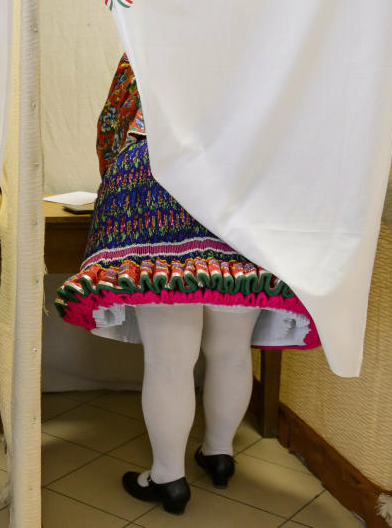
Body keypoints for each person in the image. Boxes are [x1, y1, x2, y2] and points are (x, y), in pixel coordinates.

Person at [55, 55, 318, 515]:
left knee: (169, 362)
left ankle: (168, 478)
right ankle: (219, 454)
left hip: (154, 176)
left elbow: (113, 123)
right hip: (241, 179)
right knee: (232, 352)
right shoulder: (257, 30)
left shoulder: (150, 24)